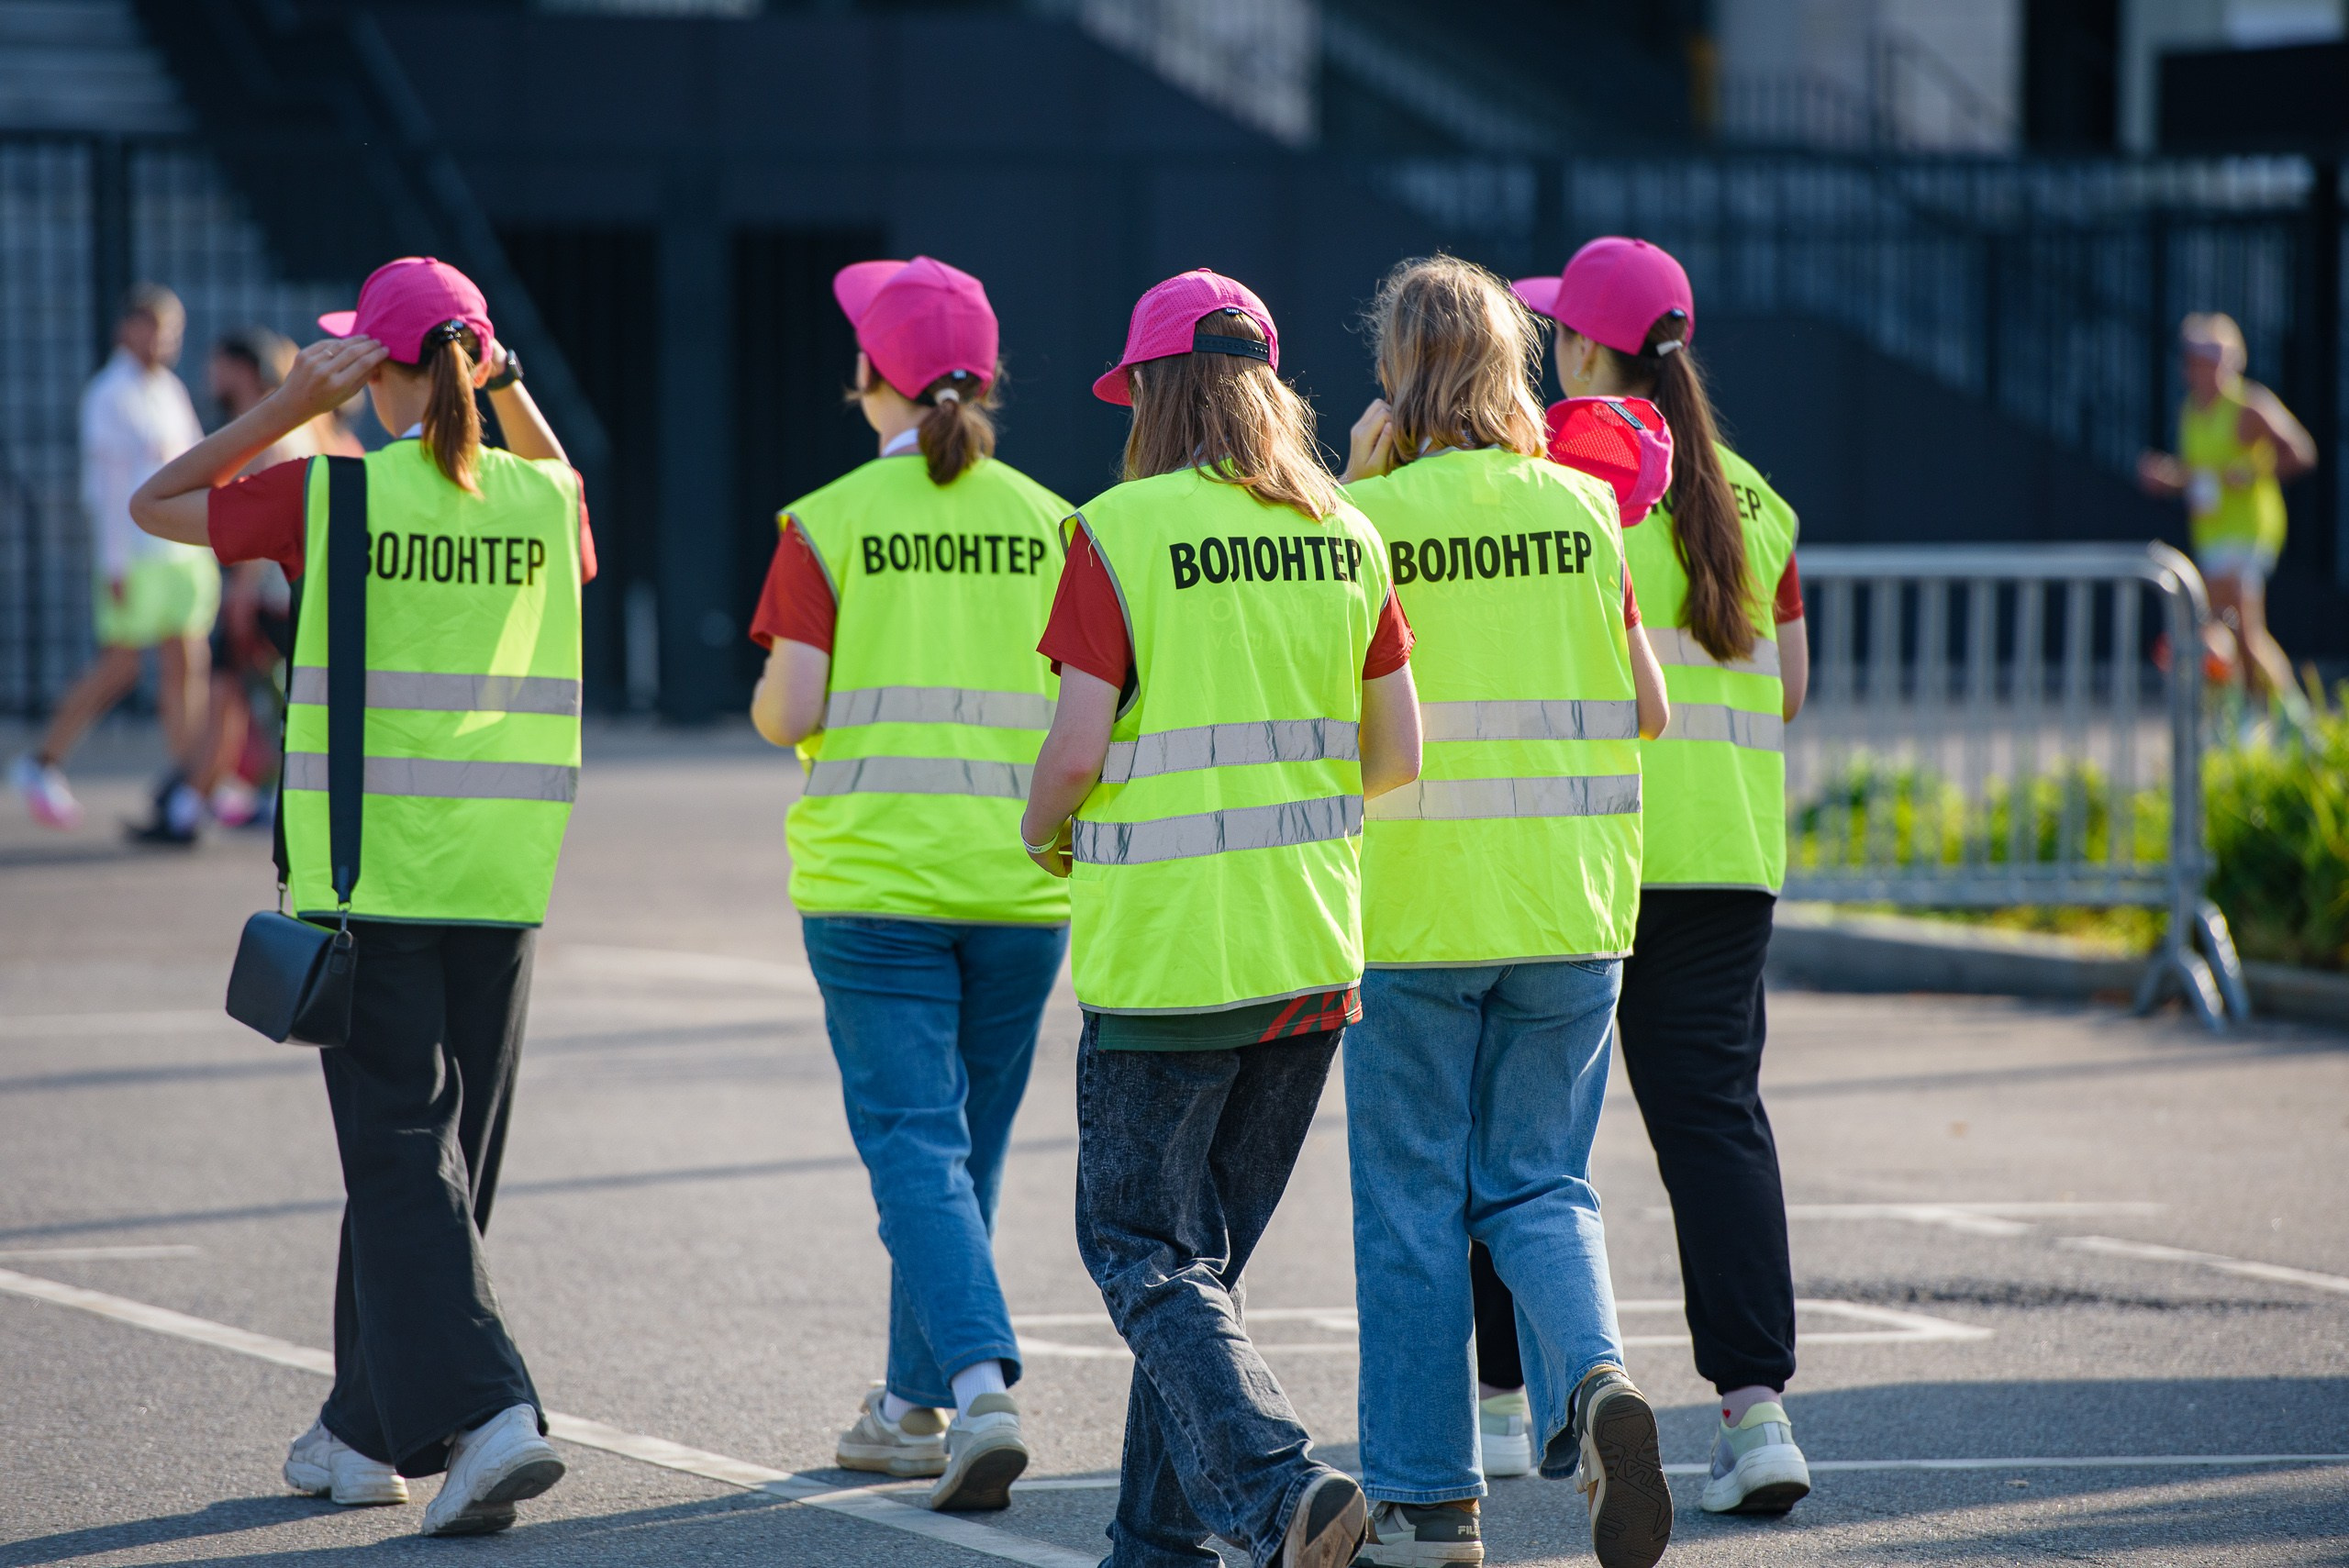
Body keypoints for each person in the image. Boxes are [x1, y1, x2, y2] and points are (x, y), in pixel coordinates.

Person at [129, 256, 596, 1538]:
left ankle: (492, 1414)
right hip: (503, 875)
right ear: (483, 366)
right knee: (435, 1168)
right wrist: (509, 395)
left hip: (374, 874)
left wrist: (290, 403)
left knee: (401, 1159)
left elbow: (157, 497)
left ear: (376, 371)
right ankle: (362, 1427)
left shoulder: (335, 490)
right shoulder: (540, 494)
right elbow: (581, 515)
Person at [1018, 268, 1421, 1568]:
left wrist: (1039, 828)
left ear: (1149, 390)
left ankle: (1276, 1485)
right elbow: (1397, 751)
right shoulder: (1346, 531)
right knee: (1199, 1273)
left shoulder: (1117, 529)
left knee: (1140, 1247)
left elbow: (1076, 752)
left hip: (1169, 963)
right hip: (1308, 956)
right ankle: (1160, 1541)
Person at [1465, 235, 1813, 1519]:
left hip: (1585, 844)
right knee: (1716, 1128)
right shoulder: (1758, 501)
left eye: (1561, 333)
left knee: (1509, 1127)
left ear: (1589, 353)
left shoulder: (1558, 480)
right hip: (1729, 860)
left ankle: (1504, 1406)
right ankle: (1756, 1414)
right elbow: (1789, 687)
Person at [1337, 255, 1674, 1568]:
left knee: (1413, 1202)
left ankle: (1431, 1506)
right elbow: (1647, 706)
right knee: (1542, 1178)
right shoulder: (1586, 511)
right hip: (1573, 903)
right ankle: (1593, 1379)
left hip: (1418, 910)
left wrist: (1361, 482)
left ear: (1398, 372)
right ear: (1513, 367)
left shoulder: (1371, 519)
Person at [745, 256, 1071, 1510]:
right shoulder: (1055, 523)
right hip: (1018, 885)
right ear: (985, 380)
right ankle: (909, 1405)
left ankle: (980, 1387)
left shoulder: (824, 523)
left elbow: (796, 706)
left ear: (870, 379)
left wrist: (770, 700)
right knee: (961, 1154)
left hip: (873, 878)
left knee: (911, 1147)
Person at [11, 284, 214, 839]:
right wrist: (116, 565)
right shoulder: (108, 395)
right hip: (138, 556)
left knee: (185, 664)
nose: (161, 341)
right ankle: (43, 759)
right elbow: (107, 489)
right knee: (122, 666)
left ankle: (185, 788)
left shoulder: (168, 388)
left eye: (169, 330)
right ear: (126, 329)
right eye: (151, 327)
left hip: (179, 555)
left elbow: (195, 465)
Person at [191, 327, 362, 831]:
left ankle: (198, 798)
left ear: (244, 370)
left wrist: (240, 598)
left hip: (271, 592)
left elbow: (259, 525)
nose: (209, 375)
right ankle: (206, 793)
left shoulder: (270, 430)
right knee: (247, 692)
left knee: (244, 693)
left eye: (218, 364)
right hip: (290, 590)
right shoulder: (300, 427)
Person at [2137, 311, 2317, 715]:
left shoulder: (2249, 406)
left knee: (2241, 628)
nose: (2209, 369)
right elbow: (2202, 477)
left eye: (2218, 358)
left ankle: (2293, 719)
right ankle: (2246, 718)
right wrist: (2169, 479)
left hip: (2249, 533)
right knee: (2226, 632)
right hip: (2212, 535)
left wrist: (2253, 471)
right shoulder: (2191, 413)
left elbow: (2300, 452)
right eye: (2200, 360)